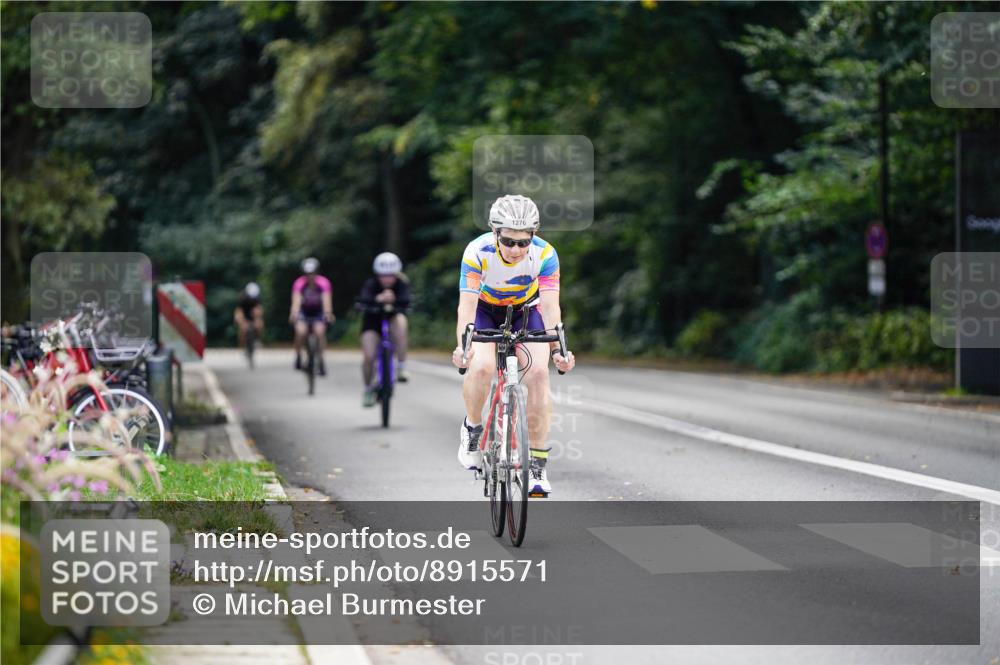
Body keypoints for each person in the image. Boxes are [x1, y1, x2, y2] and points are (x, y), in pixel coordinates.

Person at [450, 194, 576, 495]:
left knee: (539, 374)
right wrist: (463, 347)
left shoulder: (545, 255)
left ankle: (536, 466)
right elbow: (466, 307)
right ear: (495, 233)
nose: (517, 249)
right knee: (480, 368)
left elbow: (550, 307)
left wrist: (559, 349)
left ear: (534, 235)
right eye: (508, 241)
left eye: (524, 242)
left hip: (526, 310)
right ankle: (472, 428)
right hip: (484, 310)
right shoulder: (476, 252)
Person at [357, 252, 411, 407]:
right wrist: (377, 299)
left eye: (390, 275)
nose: (387, 278)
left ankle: (401, 366)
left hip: (392, 318)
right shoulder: (371, 283)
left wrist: (395, 299)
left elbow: (407, 299)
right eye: (383, 275)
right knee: (369, 356)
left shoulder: (402, 283)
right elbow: (363, 298)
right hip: (371, 322)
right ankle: (367, 389)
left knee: (401, 322)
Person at [289, 257, 335, 375]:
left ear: (316, 272)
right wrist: (294, 313)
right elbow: (296, 301)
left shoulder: (323, 283)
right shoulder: (299, 283)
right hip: (304, 311)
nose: (310, 276)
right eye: (308, 273)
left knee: (319, 332)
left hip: (318, 311)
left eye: (312, 273)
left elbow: (326, 300)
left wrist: (328, 313)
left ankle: (321, 361)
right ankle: (298, 355)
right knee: (300, 332)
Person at [233, 282, 264, 348]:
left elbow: (259, 310)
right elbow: (239, 311)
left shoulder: (257, 297)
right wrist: (242, 322)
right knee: (242, 328)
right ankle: (243, 345)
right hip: (243, 314)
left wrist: (258, 320)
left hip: (252, 315)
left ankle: (257, 339)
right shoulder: (243, 298)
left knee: (260, 324)